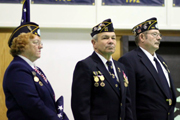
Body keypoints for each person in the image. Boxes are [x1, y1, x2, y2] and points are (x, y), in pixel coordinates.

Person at [3, 22, 68, 120]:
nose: (41, 46)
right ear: (21, 45)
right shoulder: (17, 69)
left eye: (40, 43)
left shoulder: (34, 69)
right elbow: (33, 104)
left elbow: (49, 104)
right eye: (35, 43)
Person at [71, 18, 133, 120]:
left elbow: (127, 103)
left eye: (113, 38)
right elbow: (80, 107)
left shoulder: (120, 67)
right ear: (94, 43)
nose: (111, 41)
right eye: (105, 38)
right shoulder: (85, 66)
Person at [118, 17, 176, 120]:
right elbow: (129, 98)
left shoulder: (161, 60)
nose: (159, 38)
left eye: (159, 35)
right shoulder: (129, 60)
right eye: (154, 34)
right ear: (142, 37)